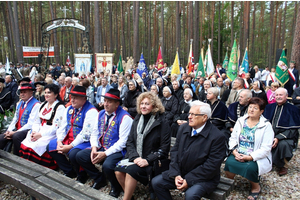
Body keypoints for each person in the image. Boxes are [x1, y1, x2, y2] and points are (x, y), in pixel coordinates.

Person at [152, 101, 226, 200]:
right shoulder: (183, 128)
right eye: (189, 113)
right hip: (181, 172)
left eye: (193, 115)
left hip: (204, 177)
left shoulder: (217, 137)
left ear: (204, 117)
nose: (189, 117)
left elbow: (212, 165)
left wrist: (189, 179)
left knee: (191, 195)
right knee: (156, 182)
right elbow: (175, 152)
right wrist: (176, 174)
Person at [76, 89, 133, 197]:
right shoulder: (101, 113)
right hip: (101, 146)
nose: (105, 104)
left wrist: (105, 154)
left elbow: (122, 142)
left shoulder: (125, 117)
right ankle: (99, 178)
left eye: (109, 101)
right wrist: (93, 147)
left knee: (108, 165)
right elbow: (94, 133)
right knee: (80, 156)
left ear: (117, 104)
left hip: (118, 150)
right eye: (105, 100)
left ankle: (116, 187)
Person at [115, 92, 171, 200]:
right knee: (118, 171)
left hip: (152, 161)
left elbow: (164, 149)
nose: (143, 106)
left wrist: (147, 160)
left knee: (131, 172)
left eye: (147, 104)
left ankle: (125, 198)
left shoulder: (162, 122)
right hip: (136, 157)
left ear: (154, 106)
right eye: (141, 103)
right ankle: (130, 196)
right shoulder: (137, 118)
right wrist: (135, 157)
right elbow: (130, 141)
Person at [225, 97, 274, 200]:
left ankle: (256, 187)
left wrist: (250, 157)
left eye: (255, 108)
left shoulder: (266, 125)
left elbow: (266, 148)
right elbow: (233, 138)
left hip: (254, 155)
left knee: (250, 168)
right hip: (239, 151)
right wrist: (234, 151)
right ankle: (229, 183)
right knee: (229, 163)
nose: (251, 110)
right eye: (250, 107)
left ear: (261, 111)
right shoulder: (241, 121)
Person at [46, 85, 98, 182]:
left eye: (75, 98)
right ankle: (69, 171)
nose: (72, 100)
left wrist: (70, 146)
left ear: (83, 99)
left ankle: (82, 175)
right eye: (72, 97)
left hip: (84, 142)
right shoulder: (69, 109)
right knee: (51, 146)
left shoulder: (91, 111)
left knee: (74, 154)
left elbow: (85, 134)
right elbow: (62, 126)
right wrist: (59, 141)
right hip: (69, 139)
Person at [19, 84, 65, 169]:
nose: (46, 95)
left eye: (49, 93)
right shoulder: (43, 105)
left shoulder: (60, 107)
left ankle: (36, 168)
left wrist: (40, 135)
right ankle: (25, 167)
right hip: (40, 130)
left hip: (51, 133)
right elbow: (37, 121)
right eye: (45, 92)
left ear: (55, 95)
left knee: (36, 145)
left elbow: (55, 127)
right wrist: (35, 132)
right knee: (26, 142)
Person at [263, 88, 300, 176]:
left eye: (281, 95)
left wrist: (278, 138)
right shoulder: (269, 107)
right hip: (268, 133)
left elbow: (293, 129)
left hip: (285, 136)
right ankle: (265, 161)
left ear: (286, 96)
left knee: (283, 145)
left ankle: (282, 165)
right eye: (277, 95)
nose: (278, 97)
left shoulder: (293, 109)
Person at [0, 83, 40, 155]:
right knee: (2, 137)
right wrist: (9, 131)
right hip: (18, 129)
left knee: (16, 136)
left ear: (31, 93)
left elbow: (31, 124)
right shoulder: (20, 103)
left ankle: (18, 157)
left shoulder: (36, 105)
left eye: (25, 92)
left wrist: (15, 132)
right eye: (21, 92)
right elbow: (15, 119)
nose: (22, 94)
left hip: (29, 130)